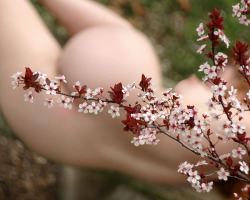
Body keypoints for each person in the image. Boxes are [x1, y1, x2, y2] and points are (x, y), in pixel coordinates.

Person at [0, 0, 248, 184]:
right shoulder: (204, 164)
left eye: (235, 80)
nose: (220, 71)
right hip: (52, 121)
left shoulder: (233, 136)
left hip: (50, 105)